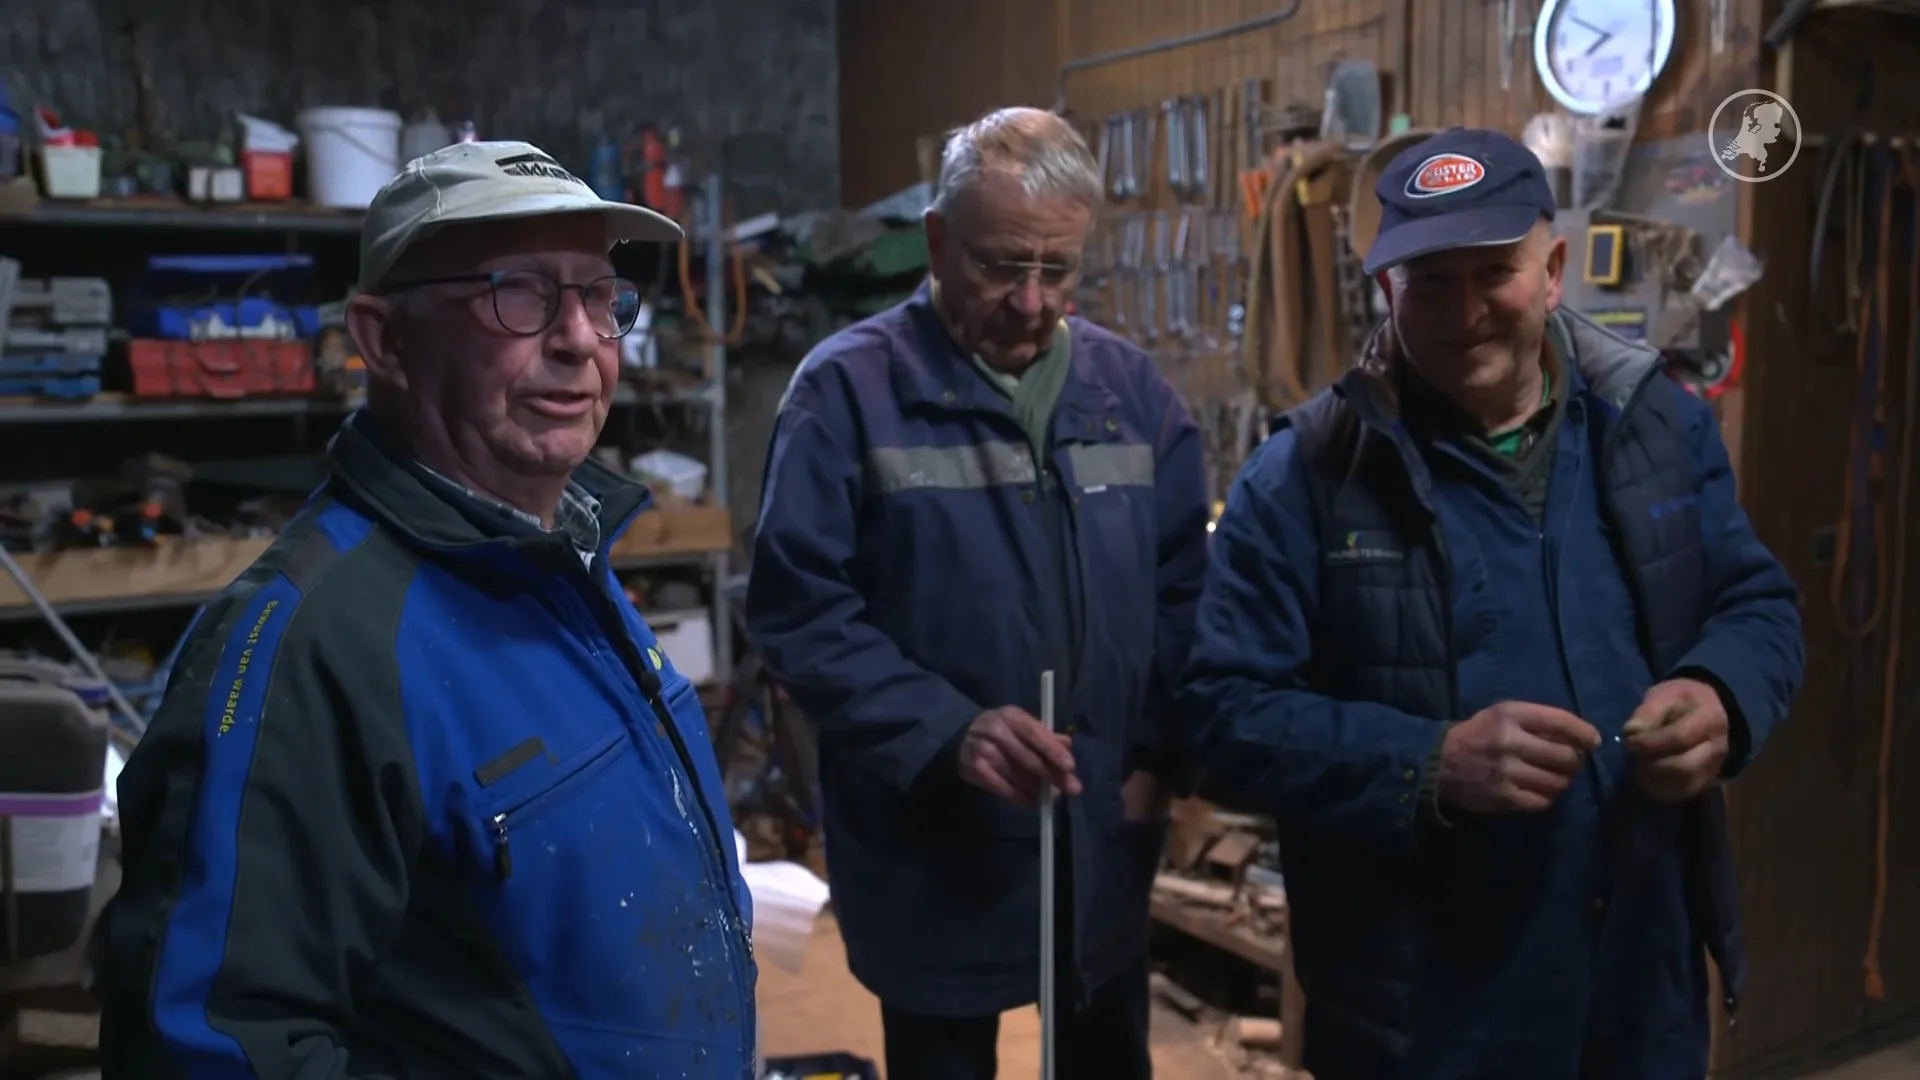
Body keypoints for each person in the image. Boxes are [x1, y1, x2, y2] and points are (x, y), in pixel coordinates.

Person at [93, 141, 758, 1078]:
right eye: (519, 293)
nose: (577, 338)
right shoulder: (307, 654)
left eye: (599, 297)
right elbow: (214, 1048)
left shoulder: (562, 562)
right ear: (385, 338)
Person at [1182, 128, 1804, 1079]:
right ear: (1384, 285)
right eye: (1430, 278)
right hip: (1425, 1014)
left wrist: (1724, 694)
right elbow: (1219, 714)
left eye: (1493, 273)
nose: (1464, 310)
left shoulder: (1657, 428)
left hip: (1639, 989)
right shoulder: (1302, 477)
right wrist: (1428, 763)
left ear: (1552, 270)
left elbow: (1756, 603)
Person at [745, 106, 1209, 1079]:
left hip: (1098, 833)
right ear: (938, 241)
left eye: (1059, 269)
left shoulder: (1135, 395)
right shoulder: (848, 394)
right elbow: (799, 612)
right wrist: (945, 730)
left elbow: (1183, 594)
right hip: (932, 843)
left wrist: (1157, 753)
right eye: (1002, 266)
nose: (1033, 302)